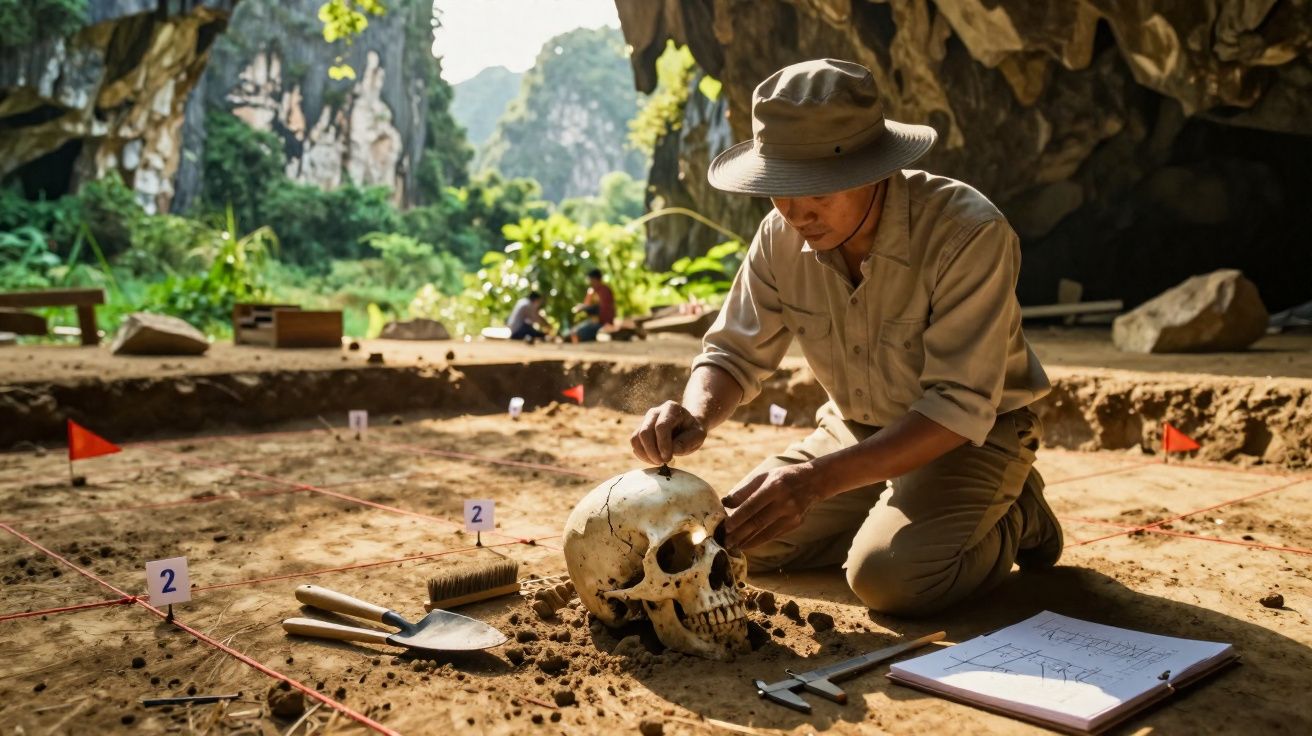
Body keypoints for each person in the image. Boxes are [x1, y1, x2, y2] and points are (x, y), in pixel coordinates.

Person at [629, 59, 1060, 617]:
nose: (794, 210)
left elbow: (957, 405)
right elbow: (733, 353)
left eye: (816, 191)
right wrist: (695, 414)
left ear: (874, 170)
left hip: (973, 437)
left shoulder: (968, 233)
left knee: (890, 580)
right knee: (728, 538)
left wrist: (813, 484)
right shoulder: (778, 235)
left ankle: (1016, 514)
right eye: (778, 188)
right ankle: (895, 508)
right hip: (855, 435)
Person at [570, 269, 615, 343]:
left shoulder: (604, 290)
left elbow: (604, 309)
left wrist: (586, 308)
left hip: (602, 323)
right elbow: (587, 304)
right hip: (593, 321)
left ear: (595, 279)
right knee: (573, 332)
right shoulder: (592, 291)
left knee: (577, 334)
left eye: (590, 280)